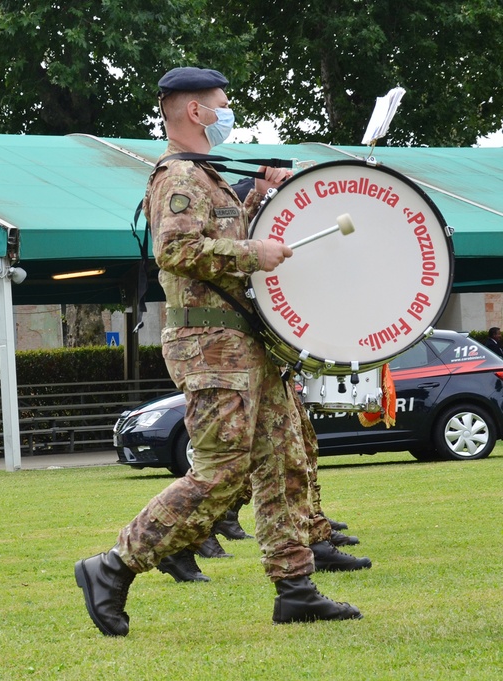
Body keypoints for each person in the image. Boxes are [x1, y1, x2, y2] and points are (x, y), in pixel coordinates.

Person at [74, 67, 361, 636]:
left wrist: (256, 201)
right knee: (221, 470)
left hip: (245, 339)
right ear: (193, 111)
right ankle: (112, 567)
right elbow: (178, 250)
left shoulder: (210, 178)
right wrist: (253, 250)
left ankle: (295, 586)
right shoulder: (178, 176)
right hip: (211, 344)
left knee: (284, 461)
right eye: (220, 104)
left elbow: (222, 242)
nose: (228, 113)